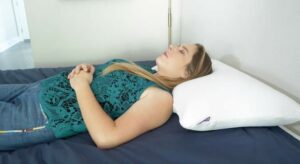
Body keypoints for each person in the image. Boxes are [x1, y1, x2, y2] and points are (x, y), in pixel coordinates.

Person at [0, 43, 212, 151]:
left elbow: (106, 137)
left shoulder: (160, 99)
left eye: (181, 51)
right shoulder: (146, 70)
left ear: (186, 73)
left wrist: (81, 86)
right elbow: (107, 86)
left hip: (42, 114)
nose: (172, 47)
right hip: (38, 88)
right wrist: (88, 72)